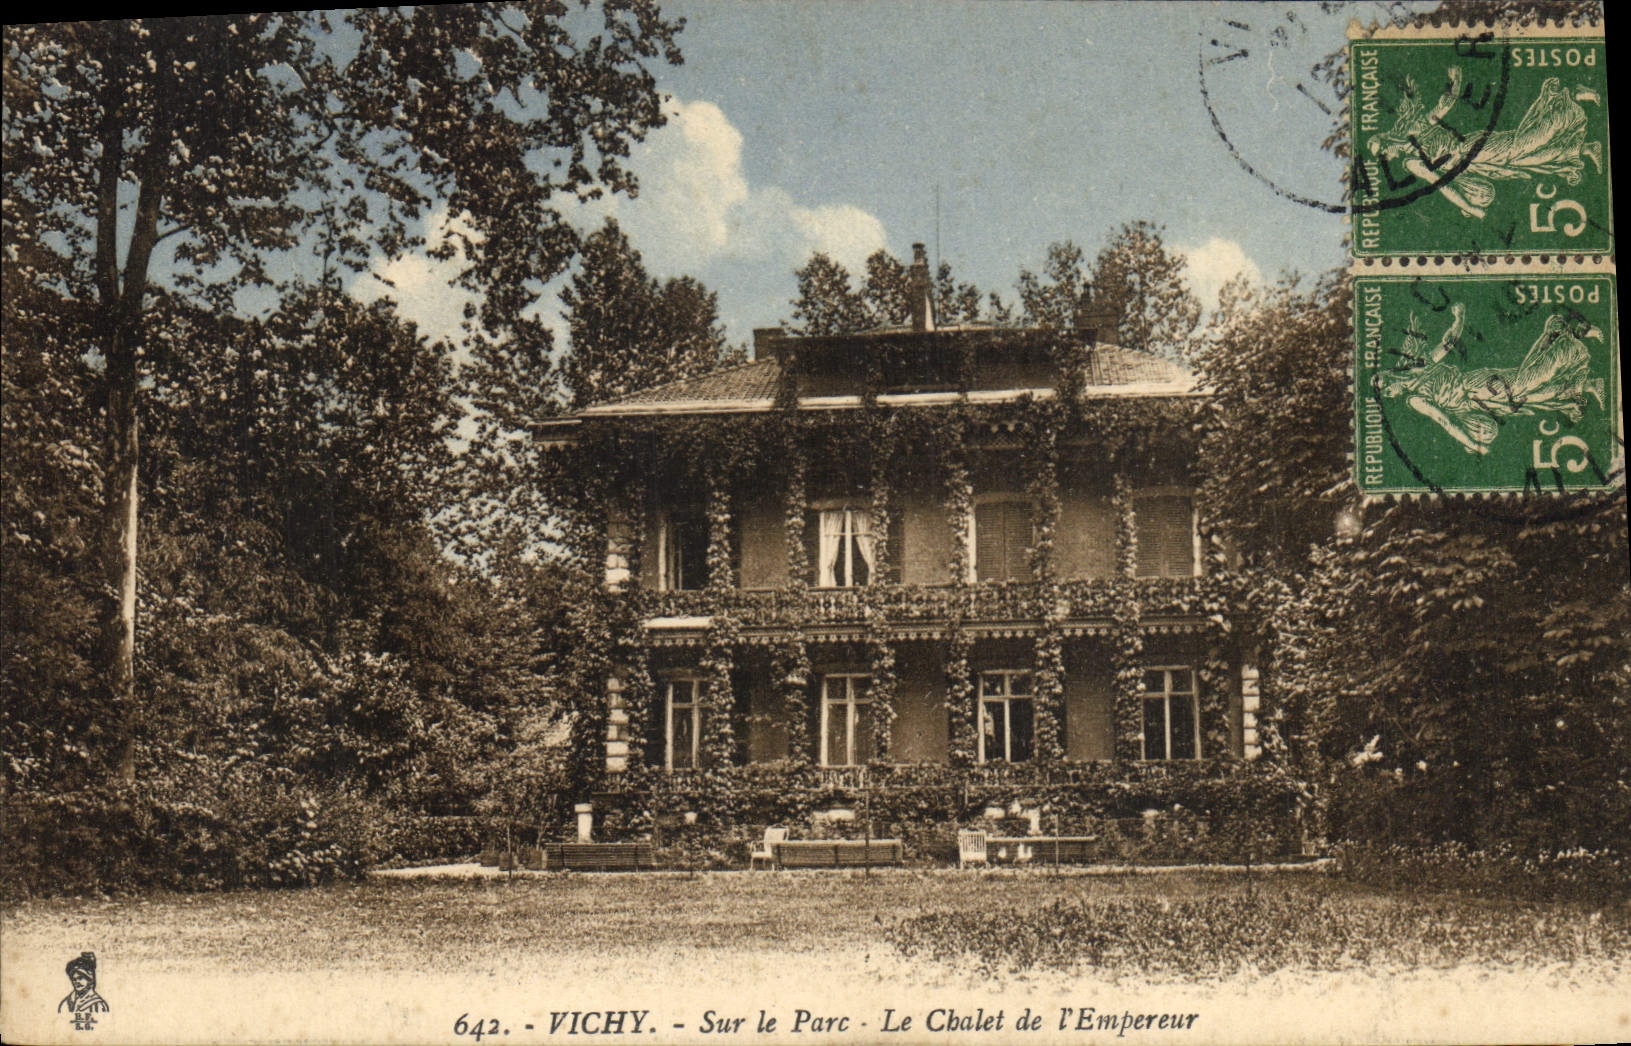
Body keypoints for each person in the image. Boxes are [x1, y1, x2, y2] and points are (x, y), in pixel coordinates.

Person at [1370, 66, 1603, 220]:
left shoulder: (1415, 129)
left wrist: (1456, 82)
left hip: (1473, 148)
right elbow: (1443, 185)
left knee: (1524, 144)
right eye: (1382, 156)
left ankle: (1570, 95)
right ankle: (1583, 148)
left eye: (1382, 149)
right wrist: (1471, 207)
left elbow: (1442, 107)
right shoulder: (1412, 163)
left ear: (1386, 139)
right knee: (1530, 158)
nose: (1385, 156)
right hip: (1475, 164)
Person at [1378, 302, 1605, 455]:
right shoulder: (1416, 385)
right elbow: (1450, 418)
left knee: (1525, 382)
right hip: (1474, 405)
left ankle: (1569, 337)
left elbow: (1444, 421)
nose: (1390, 395)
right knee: (1530, 393)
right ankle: (1580, 373)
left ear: (1391, 378)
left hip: (1473, 386)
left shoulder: (1417, 385)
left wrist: (1460, 319)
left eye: (1387, 389)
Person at [59, 952, 110, 1017]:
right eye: (74, 979)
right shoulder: (66, 1003)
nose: (76, 982)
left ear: (89, 979)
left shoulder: (99, 1005)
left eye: (80, 978)